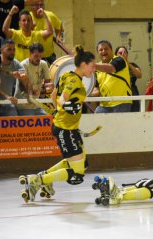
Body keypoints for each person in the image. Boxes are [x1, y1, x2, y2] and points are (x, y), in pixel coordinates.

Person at [19, 45, 96, 202]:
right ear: (83, 64)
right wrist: (66, 106)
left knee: (82, 163)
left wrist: (57, 110)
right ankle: (37, 181)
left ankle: (43, 179)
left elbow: (54, 95)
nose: (94, 70)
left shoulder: (67, 75)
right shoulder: (74, 80)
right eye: (92, 66)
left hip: (68, 127)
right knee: (77, 174)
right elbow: (61, 99)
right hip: (65, 130)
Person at [91, 40, 132, 113]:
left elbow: (111, 68)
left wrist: (91, 65)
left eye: (106, 49)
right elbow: (97, 90)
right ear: (98, 53)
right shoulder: (97, 69)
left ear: (111, 50)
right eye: (100, 50)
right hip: (104, 105)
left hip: (121, 102)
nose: (103, 51)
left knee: (117, 124)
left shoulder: (120, 59)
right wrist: (85, 94)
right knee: (96, 122)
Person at [13, 42, 50, 115]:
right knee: (32, 122)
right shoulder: (22, 65)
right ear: (30, 54)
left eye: (40, 56)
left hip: (36, 104)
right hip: (23, 104)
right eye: (36, 56)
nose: (38, 58)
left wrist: (45, 89)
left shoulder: (44, 64)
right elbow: (23, 86)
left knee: (49, 120)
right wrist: (32, 92)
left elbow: (47, 82)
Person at [0, 38, 26, 116]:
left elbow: (23, 74)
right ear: (2, 50)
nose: (12, 52)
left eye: (14, 49)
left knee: (14, 120)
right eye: (9, 49)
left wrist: (22, 76)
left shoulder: (16, 63)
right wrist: (7, 96)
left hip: (7, 103)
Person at [30, 0, 63, 64]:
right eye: (37, 5)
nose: (39, 8)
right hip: (34, 55)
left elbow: (59, 26)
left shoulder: (50, 15)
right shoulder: (27, 18)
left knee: (54, 72)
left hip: (49, 54)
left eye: (41, 5)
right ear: (31, 7)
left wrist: (58, 36)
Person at [115, 46, 142, 112]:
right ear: (116, 55)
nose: (122, 55)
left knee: (134, 114)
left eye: (125, 53)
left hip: (132, 91)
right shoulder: (113, 66)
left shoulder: (132, 65)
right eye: (120, 53)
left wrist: (127, 63)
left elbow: (139, 75)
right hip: (119, 92)